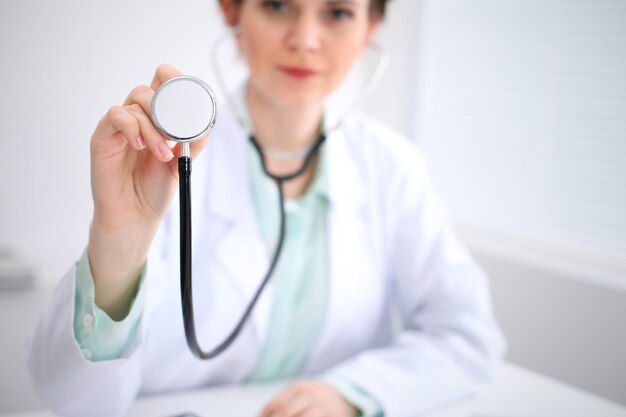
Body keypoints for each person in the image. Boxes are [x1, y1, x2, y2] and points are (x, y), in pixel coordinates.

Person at [27, 1, 506, 416]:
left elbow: (467, 336)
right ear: (233, 11)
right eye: (278, 5)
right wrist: (121, 235)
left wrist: (355, 392)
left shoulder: (392, 167)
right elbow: (76, 403)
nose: (305, 39)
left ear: (370, 29)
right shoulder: (156, 159)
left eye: (338, 12)